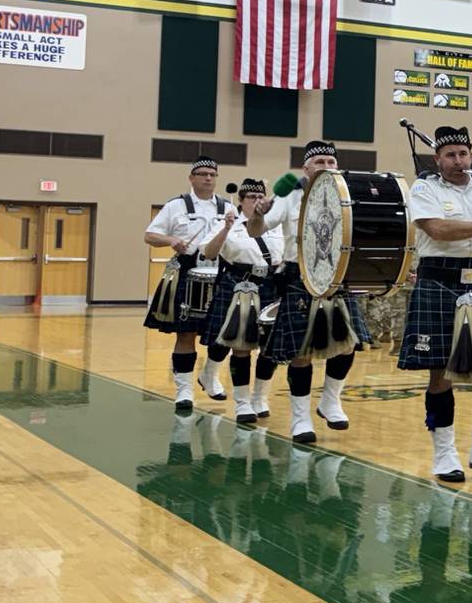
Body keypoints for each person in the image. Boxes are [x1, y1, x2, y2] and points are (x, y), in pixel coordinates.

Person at [395, 126, 472, 482]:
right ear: (437, 158)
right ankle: (445, 452)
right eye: (450, 155)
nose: (458, 161)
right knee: (441, 372)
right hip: (439, 281)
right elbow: (436, 229)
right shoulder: (426, 188)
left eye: (463, 154)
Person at [247, 141, 369, 444]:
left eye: (331, 161)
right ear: (306, 168)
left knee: (347, 344)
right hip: (298, 276)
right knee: (301, 353)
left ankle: (330, 400)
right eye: (319, 162)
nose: (326, 167)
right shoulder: (289, 193)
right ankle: (300, 418)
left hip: (338, 276)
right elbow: (255, 231)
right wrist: (259, 213)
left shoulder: (348, 193)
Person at [144, 157, 231, 412]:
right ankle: (184, 390)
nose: (208, 178)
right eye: (202, 174)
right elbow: (149, 235)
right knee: (185, 334)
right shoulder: (176, 205)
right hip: (186, 269)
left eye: (212, 174)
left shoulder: (227, 207)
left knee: (224, 332)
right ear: (191, 178)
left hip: (221, 271)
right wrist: (171, 240)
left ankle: (210, 375)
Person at [200, 178, 284, 423]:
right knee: (241, 347)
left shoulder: (275, 224)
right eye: (251, 198)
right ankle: (242, 402)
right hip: (239, 285)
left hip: (271, 285)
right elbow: (209, 253)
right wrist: (226, 229)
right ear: (241, 201)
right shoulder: (228, 222)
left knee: (269, 349)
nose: (256, 201)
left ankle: (260, 398)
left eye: (260, 197)